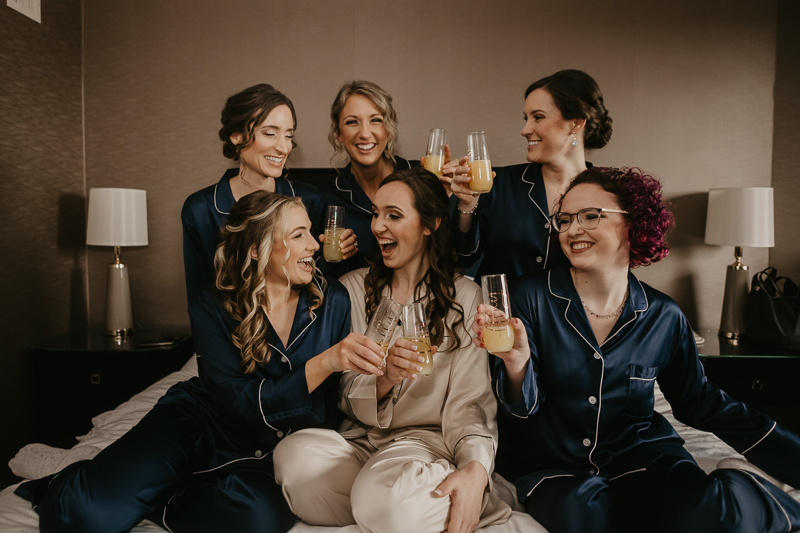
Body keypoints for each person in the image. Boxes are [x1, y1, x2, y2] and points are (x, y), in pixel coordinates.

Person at [16, 192, 385, 533]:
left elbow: (324, 412)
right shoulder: (211, 305)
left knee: (260, 518)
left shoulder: (332, 299)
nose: (314, 244)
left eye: (311, 232)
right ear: (257, 250)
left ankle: (156, 501)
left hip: (270, 452)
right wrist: (326, 362)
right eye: (299, 234)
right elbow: (235, 400)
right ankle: (70, 478)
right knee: (84, 516)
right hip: (196, 424)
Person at [472, 166, 800, 533]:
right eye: (564, 220)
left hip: (644, 457)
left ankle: (748, 492)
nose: (573, 229)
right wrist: (517, 365)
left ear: (635, 223)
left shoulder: (664, 315)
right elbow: (523, 409)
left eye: (591, 216)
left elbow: (701, 403)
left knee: (708, 519)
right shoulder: (527, 298)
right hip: (556, 468)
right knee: (599, 523)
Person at [274, 168, 511, 533]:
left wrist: (476, 469)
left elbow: (471, 402)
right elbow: (343, 391)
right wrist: (385, 377)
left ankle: (405, 497)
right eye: (375, 214)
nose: (378, 226)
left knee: (385, 501)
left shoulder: (466, 296)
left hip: (427, 446)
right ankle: (387, 504)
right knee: (294, 458)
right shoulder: (352, 288)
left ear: (431, 224)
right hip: (362, 440)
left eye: (394, 215)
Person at [181, 83, 357, 301]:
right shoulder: (200, 209)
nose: (283, 148)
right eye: (270, 133)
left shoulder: (310, 199)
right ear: (236, 136)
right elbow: (200, 296)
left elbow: (323, 279)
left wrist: (341, 254)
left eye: (288, 135)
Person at [445, 69, 613, 282]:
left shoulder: (607, 195)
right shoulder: (497, 184)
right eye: (527, 118)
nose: (525, 130)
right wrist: (467, 206)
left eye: (538, 117)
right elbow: (461, 259)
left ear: (576, 123)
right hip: (496, 313)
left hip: (569, 315)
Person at [317, 80, 428, 274]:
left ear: (389, 128)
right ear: (338, 133)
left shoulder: (419, 176)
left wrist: (453, 201)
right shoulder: (327, 196)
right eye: (352, 122)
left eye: (375, 120)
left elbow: (457, 252)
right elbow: (318, 274)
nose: (365, 134)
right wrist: (338, 257)